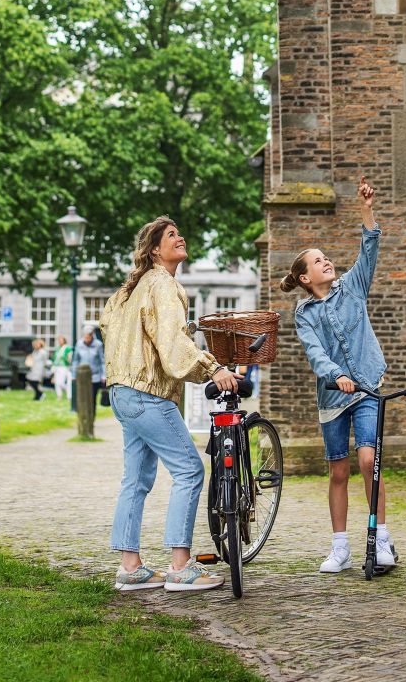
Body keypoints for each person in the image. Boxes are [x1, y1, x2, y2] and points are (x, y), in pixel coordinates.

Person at [100, 216, 241, 593]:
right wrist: (213, 369)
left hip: (122, 391)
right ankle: (181, 567)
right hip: (148, 394)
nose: (180, 238)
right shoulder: (164, 285)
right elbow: (173, 344)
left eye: (180, 232)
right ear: (154, 250)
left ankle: (130, 567)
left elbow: (107, 324)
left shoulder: (133, 288)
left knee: (136, 480)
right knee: (190, 471)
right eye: (171, 235)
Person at [279, 174, 398, 574]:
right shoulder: (303, 313)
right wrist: (334, 374)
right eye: (316, 261)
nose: (325, 260)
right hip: (333, 399)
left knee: (368, 460)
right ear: (304, 278)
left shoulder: (353, 287)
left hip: (366, 388)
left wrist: (365, 208)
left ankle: (382, 540)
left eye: (325, 256)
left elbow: (369, 248)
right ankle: (340, 546)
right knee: (338, 470)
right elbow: (315, 353)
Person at [70, 323, 105, 411]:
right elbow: (75, 361)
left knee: (92, 399)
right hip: (82, 377)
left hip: (95, 377)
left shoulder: (98, 345)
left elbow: (102, 361)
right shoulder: (79, 344)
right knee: (83, 399)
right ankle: (84, 418)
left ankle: (91, 419)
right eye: (85, 337)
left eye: (88, 337)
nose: (86, 339)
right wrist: (74, 375)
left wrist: (103, 375)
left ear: (92, 336)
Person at [51, 337, 72, 402]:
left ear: (64, 341)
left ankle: (70, 394)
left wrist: (66, 359)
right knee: (56, 383)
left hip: (64, 367)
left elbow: (69, 358)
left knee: (61, 382)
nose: (60, 341)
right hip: (56, 367)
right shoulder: (57, 349)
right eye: (59, 340)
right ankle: (59, 396)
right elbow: (54, 358)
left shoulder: (67, 348)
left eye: (61, 340)